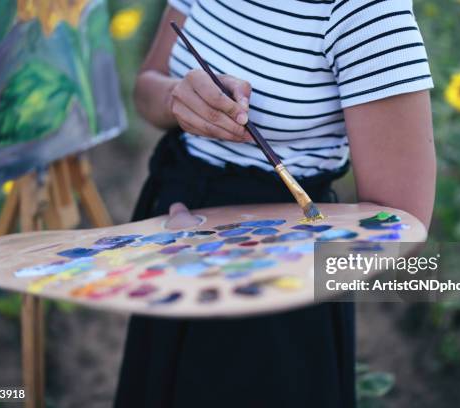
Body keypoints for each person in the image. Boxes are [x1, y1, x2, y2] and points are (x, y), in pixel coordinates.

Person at [115, 1, 435, 407]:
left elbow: (403, 229)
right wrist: (177, 98)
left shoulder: (366, 11)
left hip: (278, 283)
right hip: (173, 234)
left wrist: (226, 239)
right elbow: (146, 86)